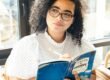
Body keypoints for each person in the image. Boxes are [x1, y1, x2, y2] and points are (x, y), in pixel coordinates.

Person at [5, 0, 97, 80]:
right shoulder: (26, 45)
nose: (59, 18)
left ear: (73, 20)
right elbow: (12, 77)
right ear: (45, 12)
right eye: (54, 10)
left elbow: (93, 74)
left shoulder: (81, 45)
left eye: (66, 14)